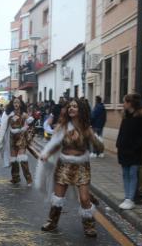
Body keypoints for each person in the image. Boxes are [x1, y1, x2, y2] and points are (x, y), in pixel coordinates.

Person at [36, 98, 104, 237]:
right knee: (58, 197)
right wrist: (47, 154)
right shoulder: (63, 127)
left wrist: (95, 139)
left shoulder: (86, 129)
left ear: (81, 110)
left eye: (75, 107)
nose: (71, 109)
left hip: (81, 166)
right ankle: (52, 222)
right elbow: (56, 144)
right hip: (64, 165)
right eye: (70, 107)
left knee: (84, 199)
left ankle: (89, 226)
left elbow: (99, 146)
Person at [116, 94, 142, 210]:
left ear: (130, 103)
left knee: (132, 174)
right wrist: (119, 145)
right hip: (123, 149)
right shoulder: (125, 116)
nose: (123, 104)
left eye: (124, 102)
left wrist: (136, 147)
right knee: (125, 174)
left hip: (134, 151)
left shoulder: (141, 117)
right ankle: (127, 197)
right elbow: (122, 132)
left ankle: (130, 198)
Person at [0, 97, 35, 186]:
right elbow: (4, 126)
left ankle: (29, 179)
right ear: (12, 104)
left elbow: (31, 125)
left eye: (17, 102)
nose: (16, 104)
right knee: (13, 160)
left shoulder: (24, 114)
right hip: (12, 138)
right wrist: (1, 138)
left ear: (20, 104)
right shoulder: (8, 114)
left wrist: (28, 133)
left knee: (22, 158)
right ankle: (15, 178)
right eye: (14, 103)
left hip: (21, 137)